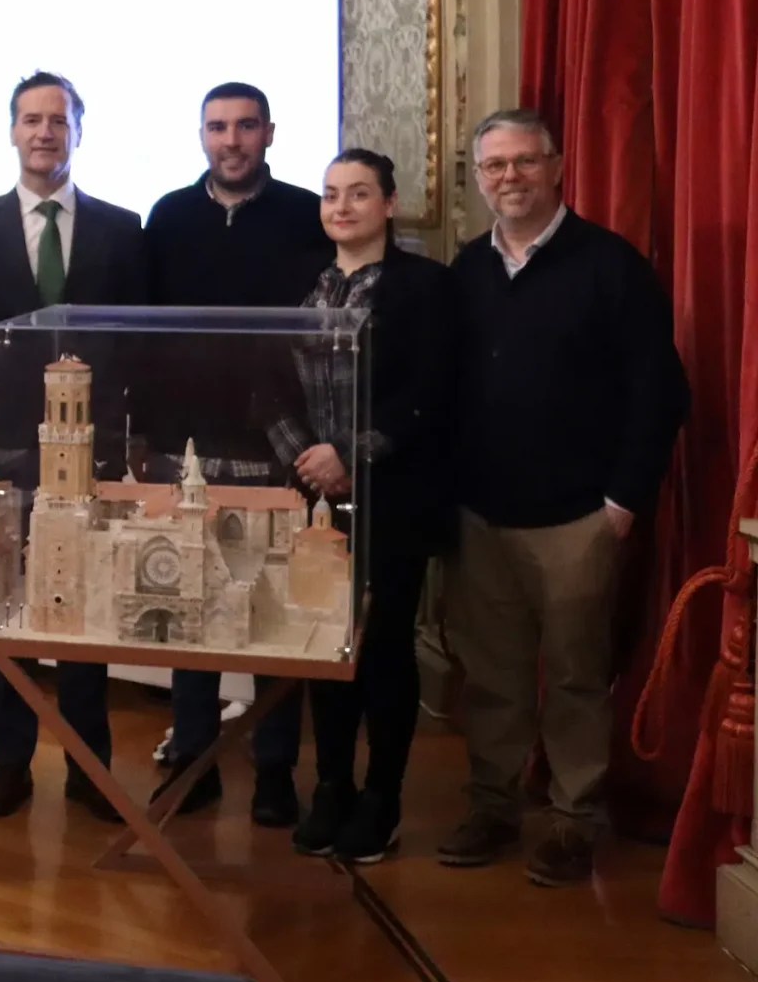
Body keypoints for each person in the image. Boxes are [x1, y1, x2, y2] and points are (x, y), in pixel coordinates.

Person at [442, 109, 686, 887]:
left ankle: (575, 819)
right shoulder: (465, 270)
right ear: (480, 179)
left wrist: (622, 501)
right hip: (481, 513)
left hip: (580, 516)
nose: (509, 176)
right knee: (492, 676)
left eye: (524, 161)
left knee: (578, 676)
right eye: (494, 165)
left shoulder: (611, 266)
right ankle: (493, 805)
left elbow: (658, 390)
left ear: (555, 166)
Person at [0, 72, 147, 822]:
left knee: (86, 607)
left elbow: (134, 342)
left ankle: (89, 768)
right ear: (13, 131)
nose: (45, 132)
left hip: (92, 452)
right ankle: (9, 764)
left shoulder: (123, 229)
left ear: (78, 132)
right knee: (13, 605)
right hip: (0, 451)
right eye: (32, 119)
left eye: (59, 120)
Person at [143, 83, 331, 827]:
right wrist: (145, 436)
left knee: (272, 614)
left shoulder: (305, 216)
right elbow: (145, 330)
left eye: (245, 126)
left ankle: (275, 770)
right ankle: (193, 759)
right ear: (201, 135)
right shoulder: (168, 216)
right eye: (218, 127)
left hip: (275, 445)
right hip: (183, 446)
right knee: (186, 606)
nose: (231, 140)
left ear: (269, 133)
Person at [260, 150, 453, 863]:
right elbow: (265, 380)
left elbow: (431, 391)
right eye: (331, 194)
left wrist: (349, 453)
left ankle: (382, 797)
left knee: (383, 651)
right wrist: (306, 458)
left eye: (360, 193)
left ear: (389, 204)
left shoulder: (426, 286)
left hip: (391, 495)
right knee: (325, 646)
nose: (342, 207)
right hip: (311, 497)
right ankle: (332, 786)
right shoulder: (297, 281)